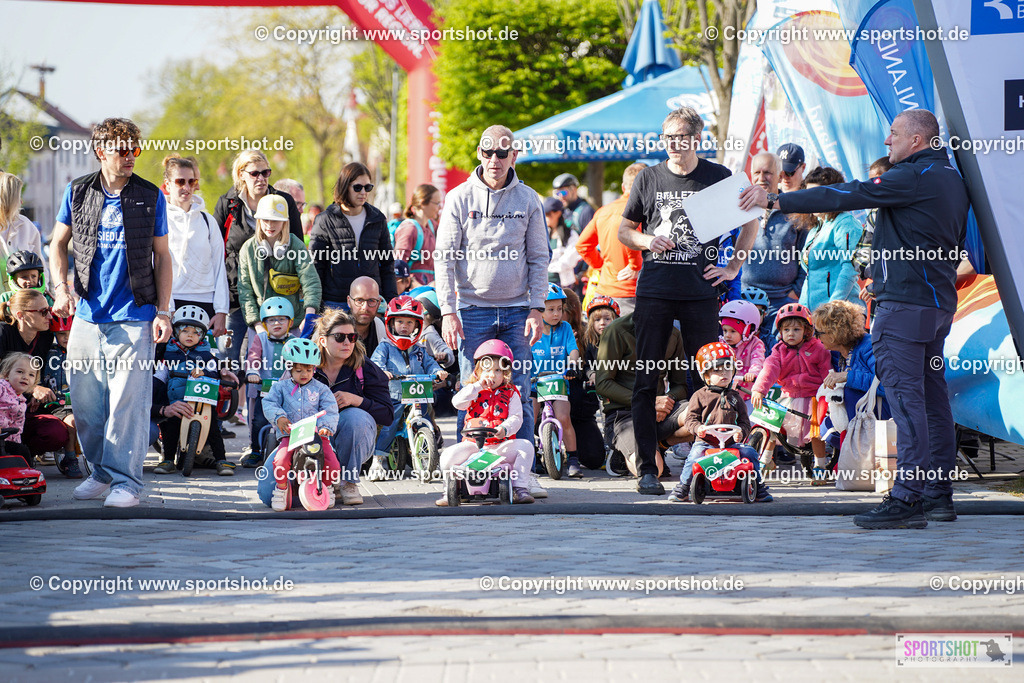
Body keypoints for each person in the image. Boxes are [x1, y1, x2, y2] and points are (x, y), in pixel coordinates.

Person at [741, 109, 969, 529]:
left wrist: (777, 200)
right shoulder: (952, 178)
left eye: (894, 134)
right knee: (933, 402)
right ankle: (938, 496)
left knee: (907, 404)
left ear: (917, 140)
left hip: (904, 308)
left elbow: (846, 194)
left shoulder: (912, 177)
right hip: (935, 307)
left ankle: (907, 498)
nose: (887, 142)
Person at [617, 107, 758, 494]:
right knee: (646, 378)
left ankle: (712, 463)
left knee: (710, 379)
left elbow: (751, 221)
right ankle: (648, 468)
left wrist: (732, 267)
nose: (673, 145)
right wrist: (648, 240)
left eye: (680, 137)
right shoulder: (648, 177)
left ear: (697, 138)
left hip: (699, 293)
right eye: (667, 138)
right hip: (654, 291)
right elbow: (625, 230)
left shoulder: (717, 177)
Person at [49, 117, 174, 508]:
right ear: (101, 151)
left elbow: (163, 256)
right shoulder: (78, 190)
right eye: (122, 149)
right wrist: (60, 289)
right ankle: (101, 472)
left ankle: (127, 482)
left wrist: (164, 312)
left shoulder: (150, 195)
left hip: (135, 314)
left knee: (127, 404)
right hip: (87, 314)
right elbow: (57, 245)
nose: (130, 156)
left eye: (135, 149)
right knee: (87, 405)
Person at [435, 125, 548, 446]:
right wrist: (447, 311)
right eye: (488, 152)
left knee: (521, 392)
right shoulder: (458, 197)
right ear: (479, 154)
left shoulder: (528, 199)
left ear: (514, 155)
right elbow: (443, 258)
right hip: (471, 312)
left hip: (518, 312)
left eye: (502, 152)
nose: (494, 159)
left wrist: (537, 307)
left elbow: (540, 256)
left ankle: (522, 472)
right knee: (471, 392)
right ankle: (467, 468)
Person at [261, 309, 393, 506]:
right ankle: (305, 479)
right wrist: (280, 419)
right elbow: (275, 399)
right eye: (340, 337)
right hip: (303, 437)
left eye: (352, 337)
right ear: (322, 340)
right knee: (266, 494)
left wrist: (356, 400)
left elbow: (388, 415)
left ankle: (348, 481)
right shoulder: (303, 361)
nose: (348, 342)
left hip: (349, 438)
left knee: (355, 417)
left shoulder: (364, 368)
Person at [213, 149, 303, 371]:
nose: (261, 178)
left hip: (275, 299)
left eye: (266, 172)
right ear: (241, 174)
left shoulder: (284, 201)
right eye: (255, 173)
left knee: (273, 366)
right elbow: (215, 252)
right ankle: (232, 406)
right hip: (235, 297)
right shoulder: (227, 203)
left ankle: (265, 406)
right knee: (228, 362)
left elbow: (298, 248)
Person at [668, 342, 772, 503]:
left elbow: (744, 422)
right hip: (706, 442)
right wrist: (698, 428)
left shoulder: (735, 397)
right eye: (717, 370)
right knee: (694, 456)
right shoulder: (699, 395)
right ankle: (683, 487)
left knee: (750, 453)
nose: (724, 373)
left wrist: (741, 432)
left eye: (727, 368)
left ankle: (758, 486)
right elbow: (690, 419)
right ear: (706, 375)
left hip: (731, 443)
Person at [437, 340, 536, 505]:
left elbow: (517, 417)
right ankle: (449, 490)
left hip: (499, 446)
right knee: (447, 456)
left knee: (525, 446)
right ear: (478, 371)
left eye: (498, 370)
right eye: (487, 370)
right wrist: (476, 386)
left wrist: (505, 428)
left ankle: (520, 488)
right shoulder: (473, 391)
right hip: (472, 446)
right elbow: (457, 403)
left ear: (506, 373)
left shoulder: (511, 393)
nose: (492, 375)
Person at [594, 312, 685, 478]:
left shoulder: (674, 334)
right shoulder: (616, 330)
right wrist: (648, 402)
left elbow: (680, 385)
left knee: (702, 414)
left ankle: (659, 444)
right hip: (625, 414)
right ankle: (625, 450)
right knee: (652, 472)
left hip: (660, 413)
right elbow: (603, 384)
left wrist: (668, 401)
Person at [153, 305, 236, 476]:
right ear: (176, 332)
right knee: (170, 427)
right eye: (185, 331)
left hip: (202, 402)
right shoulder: (168, 354)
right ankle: (168, 459)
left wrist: (204, 371)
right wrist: (153, 390)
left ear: (203, 335)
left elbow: (215, 371)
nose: (190, 335)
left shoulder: (206, 355)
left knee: (213, 428)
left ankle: (221, 459)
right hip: (176, 400)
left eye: (196, 332)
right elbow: (161, 375)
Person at [369, 295, 447, 476]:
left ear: (417, 326)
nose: (404, 326)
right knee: (390, 424)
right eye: (400, 322)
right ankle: (378, 459)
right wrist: (383, 372)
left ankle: (429, 455)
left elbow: (429, 363)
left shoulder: (419, 349)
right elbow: (375, 364)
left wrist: (438, 371)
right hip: (394, 394)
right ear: (391, 323)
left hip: (418, 394)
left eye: (410, 323)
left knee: (427, 421)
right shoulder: (385, 347)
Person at [750, 304, 832, 476]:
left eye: (796, 329)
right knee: (772, 424)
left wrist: (829, 394)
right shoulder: (778, 351)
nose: (791, 334)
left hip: (813, 398)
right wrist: (759, 389)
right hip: (789, 396)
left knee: (815, 432)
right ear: (780, 332)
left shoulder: (818, 348)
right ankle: (766, 459)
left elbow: (826, 373)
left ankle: (820, 466)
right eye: (786, 329)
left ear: (807, 330)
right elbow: (769, 369)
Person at [263, 338, 341, 511]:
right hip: (290, 434)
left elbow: (330, 408)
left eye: (309, 369)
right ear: (289, 368)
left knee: (333, 463)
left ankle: (326, 485)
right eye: (298, 370)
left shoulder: (321, 389)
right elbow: (269, 403)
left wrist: (325, 426)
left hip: (316, 435)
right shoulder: (280, 387)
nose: (304, 374)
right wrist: (279, 418)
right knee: (281, 460)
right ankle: (281, 488)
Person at [310, 162, 396, 310]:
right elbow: (316, 267)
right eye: (357, 187)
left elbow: (387, 265)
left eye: (368, 187)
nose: (363, 192)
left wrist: (391, 303)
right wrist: (316, 306)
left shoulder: (378, 218)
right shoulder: (324, 220)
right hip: (336, 303)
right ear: (345, 187)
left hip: (371, 303)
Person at [811, 300, 890, 459]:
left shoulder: (869, 346)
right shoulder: (837, 354)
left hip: (882, 417)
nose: (816, 337)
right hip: (863, 421)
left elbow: (885, 384)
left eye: (818, 332)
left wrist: (847, 376)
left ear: (833, 334)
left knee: (848, 391)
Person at [163, 155, 229, 338]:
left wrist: (222, 311)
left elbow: (219, 268)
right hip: (171, 303)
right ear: (168, 184)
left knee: (202, 364)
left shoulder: (208, 222)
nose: (186, 187)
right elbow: (155, 265)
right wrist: (164, 309)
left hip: (205, 303)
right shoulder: (158, 220)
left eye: (192, 182)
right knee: (169, 363)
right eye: (180, 181)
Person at [237, 194, 321, 336]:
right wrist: (257, 325)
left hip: (293, 326)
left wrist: (309, 316)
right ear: (258, 221)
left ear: (285, 222)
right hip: (260, 327)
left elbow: (311, 282)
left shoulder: (297, 246)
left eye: (276, 220)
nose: (270, 225)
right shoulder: (247, 249)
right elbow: (245, 290)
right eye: (266, 220)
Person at [741, 152, 806, 334]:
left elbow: (806, 256)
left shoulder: (795, 210)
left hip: (782, 302)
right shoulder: (740, 210)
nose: (762, 178)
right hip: (745, 300)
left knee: (780, 358)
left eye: (768, 172)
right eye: (757, 173)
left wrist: (795, 292)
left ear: (779, 176)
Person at [575, 163, 646, 316]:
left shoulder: (603, 211)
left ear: (623, 187)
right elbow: (630, 237)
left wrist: (602, 266)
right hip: (630, 294)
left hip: (604, 292)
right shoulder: (641, 211)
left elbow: (582, 245)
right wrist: (634, 266)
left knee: (604, 339)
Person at [796, 167, 865, 313]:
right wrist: (802, 311)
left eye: (818, 194)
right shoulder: (815, 228)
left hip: (839, 315)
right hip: (813, 314)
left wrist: (833, 306)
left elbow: (851, 268)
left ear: (833, 194)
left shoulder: (846, 223)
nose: (812, 200)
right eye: (808, 195)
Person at [531, 283, 581, 477]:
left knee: (563, 417)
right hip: (535, 382)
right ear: (539, 310)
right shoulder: (531, 329)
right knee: (530, 416)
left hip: (559, 380)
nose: (556, 314)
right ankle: (533, 456)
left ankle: (573, 458)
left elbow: (573, 350)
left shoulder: (565, 328)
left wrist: (573, 365)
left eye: (559, 309)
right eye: (550, 309)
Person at [241, 297, 296, 468]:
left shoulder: (294, 341)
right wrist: (252, 372)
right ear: (265, 323)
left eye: (281, 319)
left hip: (287, 389)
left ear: (290, 321)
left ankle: (291, 451)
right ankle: (256, 451)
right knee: (258, 420)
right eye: (271, 320)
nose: (277, 323)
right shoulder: (261, 338)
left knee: (290, 420)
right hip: (265, 389)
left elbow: (300, 361)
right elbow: (253, 356)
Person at [41, 315, 81, 478]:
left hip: (81, 400)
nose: (67, 338)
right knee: (71, 421)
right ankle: (70, 459)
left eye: (71, 332)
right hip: (56, 403)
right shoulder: (47, 353)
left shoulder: (84, 352)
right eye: (62, 334)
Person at [0, 172, 49, 291]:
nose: (21, 202)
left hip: (23, 303)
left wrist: (43, 292)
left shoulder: (26, 226)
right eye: (18, 197)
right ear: (7, 198)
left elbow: (40, 267)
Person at [718, 299, 766, 410]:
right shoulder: (722, 344)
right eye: (725, 331)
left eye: (733, 331)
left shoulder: (755, 344)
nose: (727, 335)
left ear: (747, 330)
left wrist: (753, 373)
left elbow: (758, 360)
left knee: (749, 420)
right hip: (726, 392)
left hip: (748, 393)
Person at [394, 184, 441, 286]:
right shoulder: (409, 229)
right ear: (422, 203)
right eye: (437, 203)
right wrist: (414, 285)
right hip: (414, 292)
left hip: (430, 287)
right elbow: (398, 266)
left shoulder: (432, 226)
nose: (439, 207)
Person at [0, 351, 37, 466]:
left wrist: (17, 443)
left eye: (31, 375)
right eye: (20, 372)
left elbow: (17, 427)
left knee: (22, 452)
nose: (25, 377)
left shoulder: (22, 401)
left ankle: (26, 477)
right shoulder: (2, 388)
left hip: (7, 440)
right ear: (6, 374)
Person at [347, 276, 387, 356]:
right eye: (359, 300)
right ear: (349, 301)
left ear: (379, 303)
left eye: (371, 301)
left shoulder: (384, 329)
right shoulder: (335, 329)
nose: (365, 307)